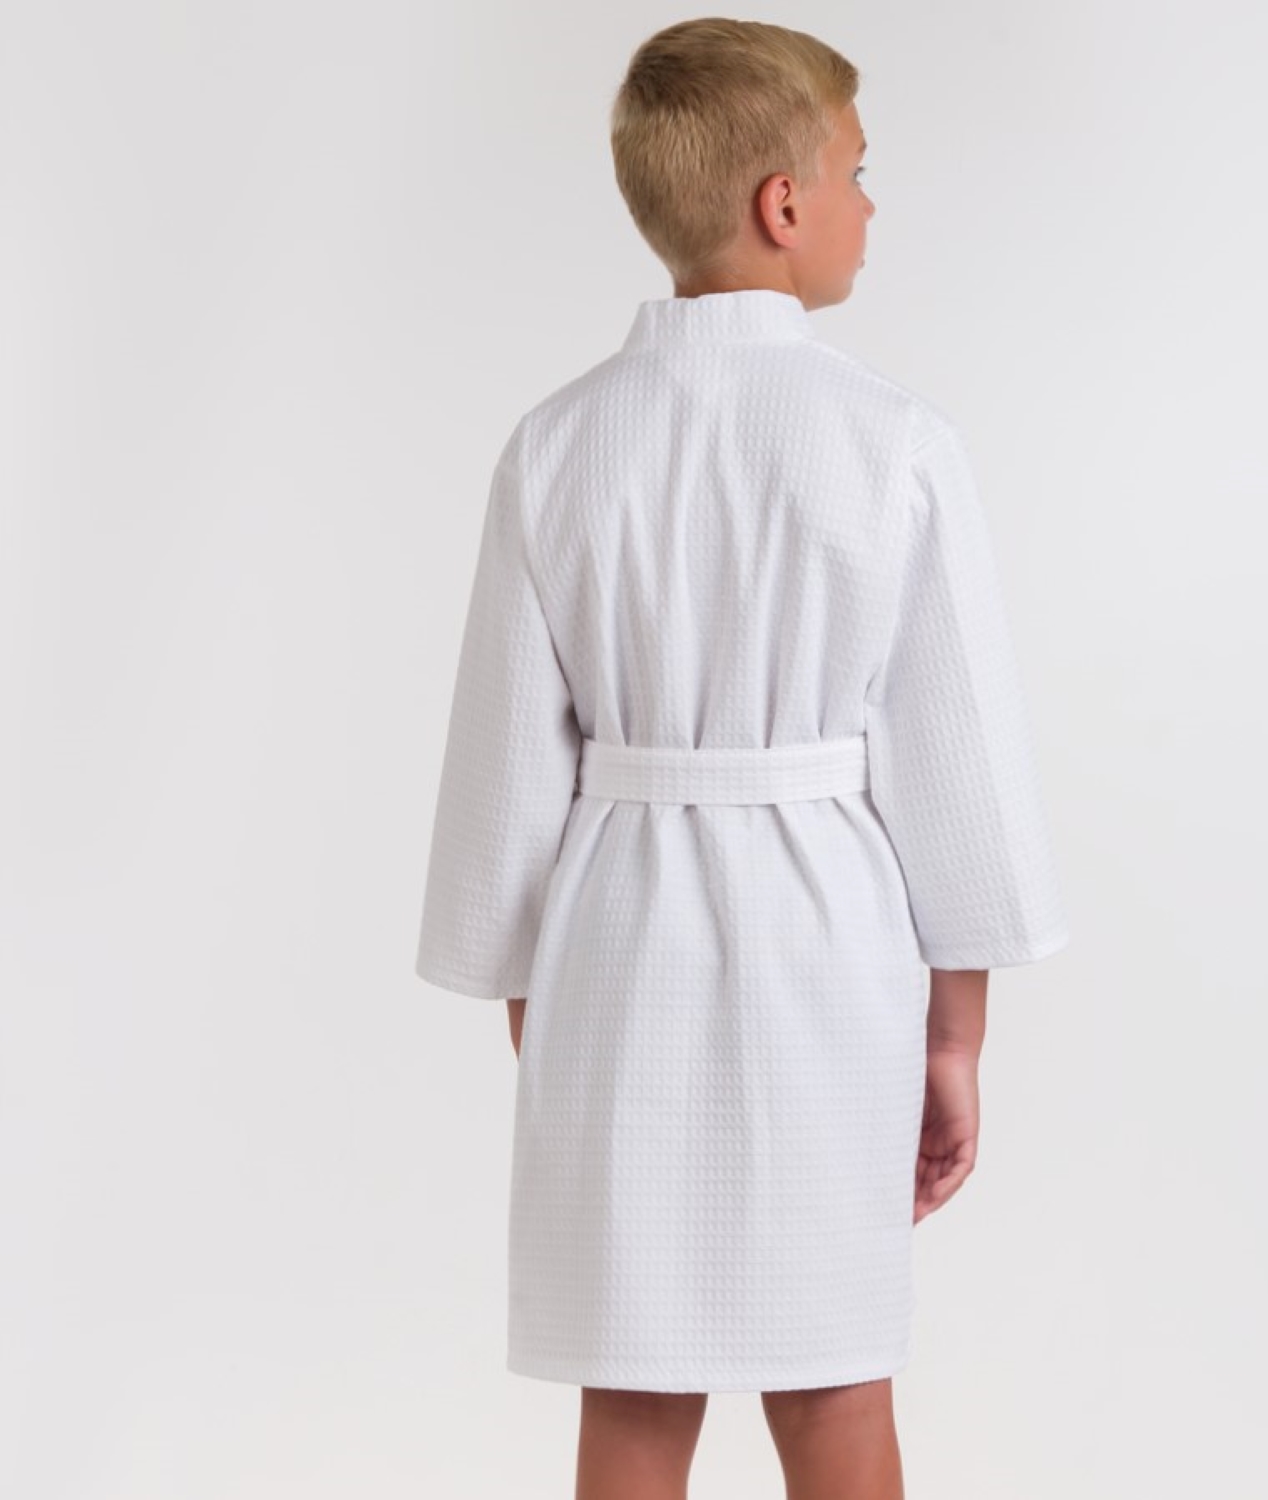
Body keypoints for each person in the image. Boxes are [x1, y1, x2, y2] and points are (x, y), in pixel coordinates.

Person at [414, 17, 1070, 1500]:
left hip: (613, 949)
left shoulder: (556, 445)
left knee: (634, 1391)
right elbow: (954, 763)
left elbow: (507, 760)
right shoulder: (897, 445)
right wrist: (953, 1042)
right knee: (834, 1378)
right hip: (829, 952)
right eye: (858, 172)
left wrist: (539, 1011)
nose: (870, 205)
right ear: (785, 203)